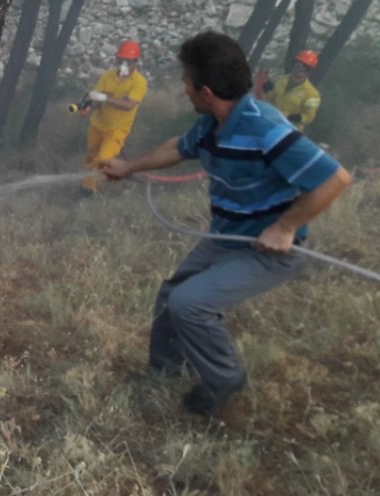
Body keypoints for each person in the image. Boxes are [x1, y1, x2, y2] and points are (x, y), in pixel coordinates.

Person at [99, 31, 351, 416]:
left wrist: (284, 228)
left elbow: (335, 179)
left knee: (189, 304)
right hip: (225, 238)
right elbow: (177, 147)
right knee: (172, 294)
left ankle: (224, 378)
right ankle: (165, 370)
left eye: (186, 82)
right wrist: (129, 166)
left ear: (206, 91)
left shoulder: (263, 126)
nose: (183, 89)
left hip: (267, 252)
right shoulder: (212, 125)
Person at [80, 40, 148, 193]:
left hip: (117, 130)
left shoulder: (139, 82)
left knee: (102, 160)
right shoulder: (107, 76)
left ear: (136, 62)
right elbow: (97, 101)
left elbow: (129, 105)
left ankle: (88, 191)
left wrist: (105, 98)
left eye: (128, 61)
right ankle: (86, 185)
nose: (124, 64)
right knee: (91, 157)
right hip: (98, 124)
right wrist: (88, 107)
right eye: (121, 60)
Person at [260, 49, 322, 132]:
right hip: (271, 123)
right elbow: (272, 98)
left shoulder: (312, 94)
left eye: (304, 67)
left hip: (289, 131)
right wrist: (266, 86)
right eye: (297, 64)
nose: (299, 69)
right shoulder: (282, 79)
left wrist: (292, 116)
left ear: (309, 70)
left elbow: (309, 117)